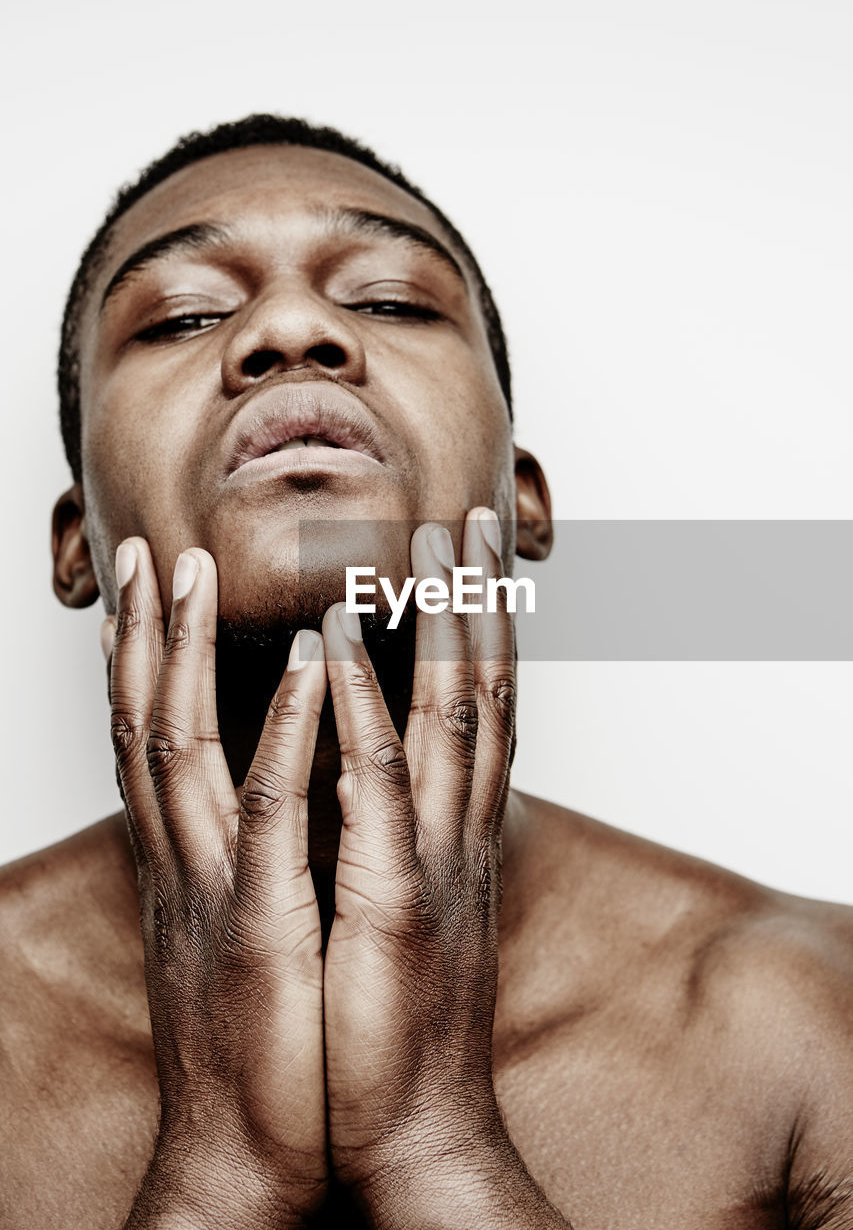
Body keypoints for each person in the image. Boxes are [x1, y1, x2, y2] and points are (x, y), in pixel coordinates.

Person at [1, 113, 851, 1230]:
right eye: (186, 314)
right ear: (75, 544)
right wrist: (223, 1163)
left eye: (392, 302)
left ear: (523, 500)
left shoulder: (814, 1009)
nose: (292, 326)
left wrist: (431, 1139)